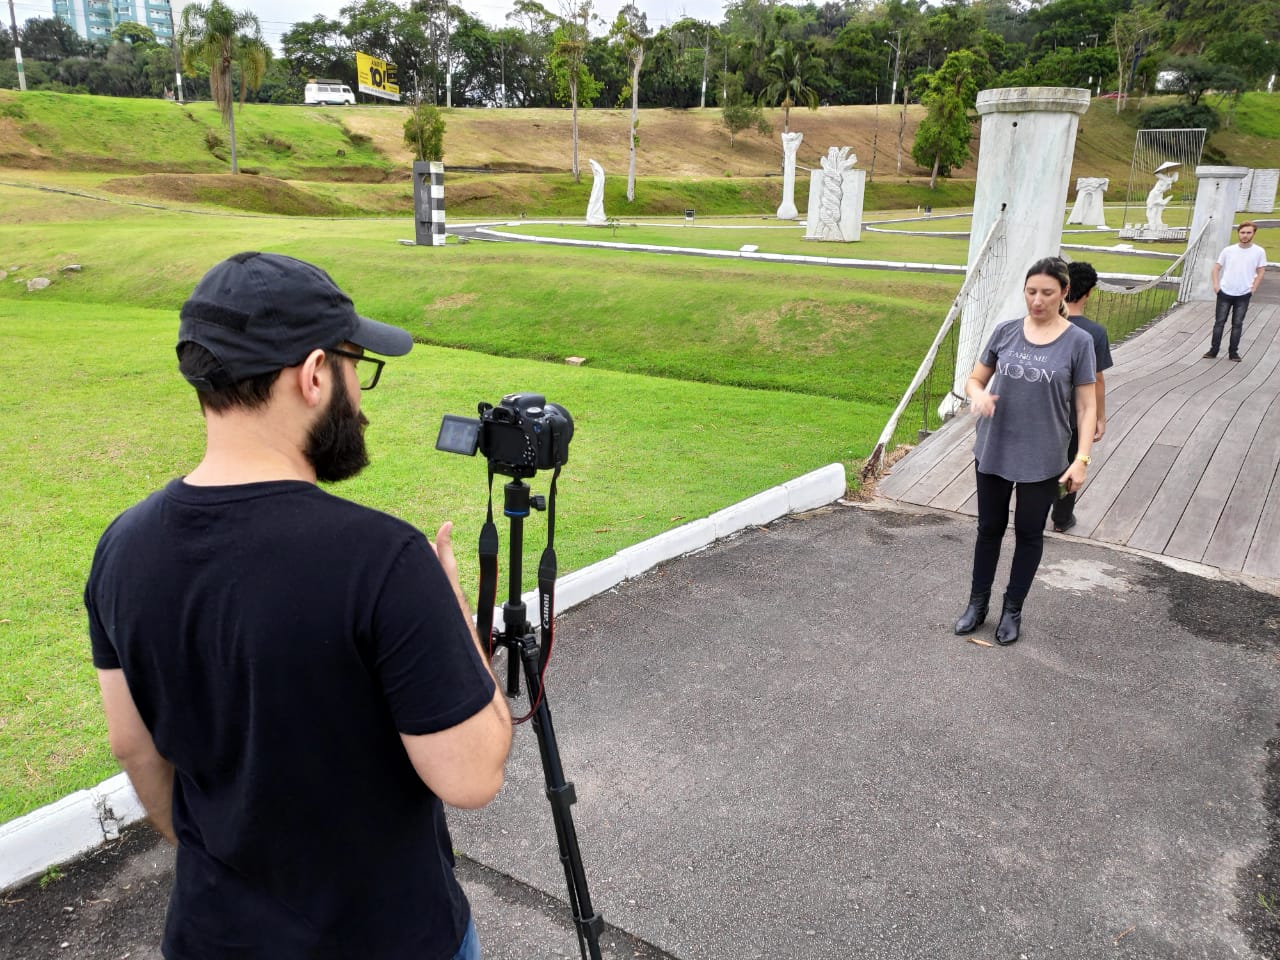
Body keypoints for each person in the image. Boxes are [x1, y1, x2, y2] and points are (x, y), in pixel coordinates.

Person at [85, 252, 513, 960]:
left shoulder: (121, 547)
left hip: (211, 936)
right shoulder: (385, 562)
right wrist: (457, 619)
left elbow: (133, 747)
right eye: (356, 368)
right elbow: (472, 775)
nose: (361, 398)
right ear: (314, 375)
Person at [953, 257, 1097, 646]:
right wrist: (979, 394)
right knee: (989, 530)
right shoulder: (1005, 332)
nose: (1037, 300)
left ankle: (1012, 609)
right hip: (995, 448)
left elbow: (1086, 406)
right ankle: (977, 604)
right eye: (1031, 292)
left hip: (1044, 456)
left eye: (1047, 293)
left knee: (1029, 534)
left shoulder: (1078, 342)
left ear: (1064, 292)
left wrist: (1080, 459)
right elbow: (974, 379)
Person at [1050, 261, 1113, 534]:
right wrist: (1099, 415)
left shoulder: (1046, 322)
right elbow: (1096, 378)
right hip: (1075, 412)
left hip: (1046, 407)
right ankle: (1061, 518)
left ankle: (1034, 508)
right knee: (1072, 459)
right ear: (1089, 292)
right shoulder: (1094, 332)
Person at [1204, 221, 1267, 362]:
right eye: (1242, 232)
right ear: (1238, 233)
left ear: (1253, 234)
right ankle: (1213, 350)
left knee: (1237, 324)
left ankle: (1233, 353)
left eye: (1248, 233)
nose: (1245, 235)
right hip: (1225, 292)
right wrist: (1216, 285)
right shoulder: (1228, 250)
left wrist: (1254, 288)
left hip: (1244, 293)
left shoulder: (1259, 251)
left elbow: (1261, 270)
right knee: (1219, 322)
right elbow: (1216, 268)